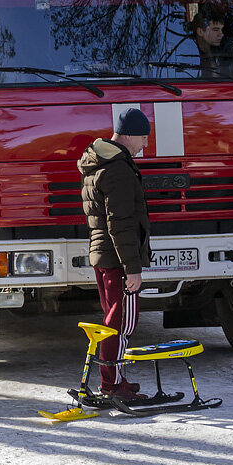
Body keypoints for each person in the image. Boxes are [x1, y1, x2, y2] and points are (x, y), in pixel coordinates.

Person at [77, 107, 152, 401]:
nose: (145, 145)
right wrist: (132, 267)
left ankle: (114, 378)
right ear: (130, 135)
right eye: (143, 138)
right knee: (121, 323)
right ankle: (112, 385)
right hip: (118, 259)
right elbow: (120, 223)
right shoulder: (118, 169)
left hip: (103, 255)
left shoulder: (97, 164)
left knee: (112, 320)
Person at [192, 12, 233, 77]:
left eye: (221, 30)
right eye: (215, 29)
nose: (221, 34)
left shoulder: (224, 51)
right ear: (200, 31)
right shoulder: (188, 51)